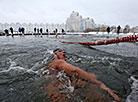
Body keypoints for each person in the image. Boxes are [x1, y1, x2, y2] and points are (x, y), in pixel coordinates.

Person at [49, 48, 121, 102]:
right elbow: (74, 70)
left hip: (54, 90)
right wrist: (100, 83)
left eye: (64, 51)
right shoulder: (58, 61)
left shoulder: (50, 65)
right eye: (60, 51)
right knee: (93, 80)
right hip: (58, 91)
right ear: (55, 54)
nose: (64, 52)